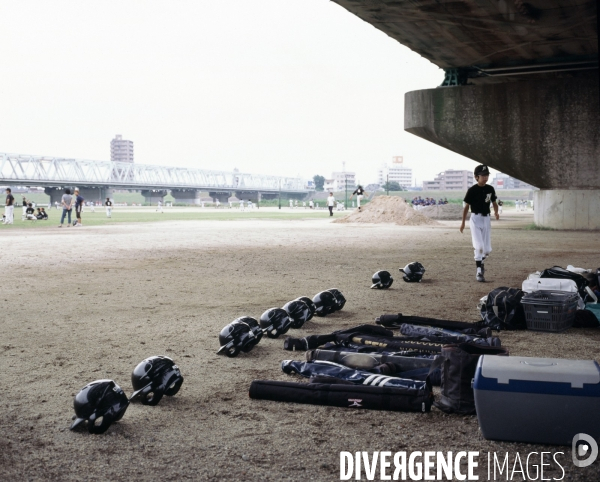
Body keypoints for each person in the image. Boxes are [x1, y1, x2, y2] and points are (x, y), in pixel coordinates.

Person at [460, 165, 499, 282]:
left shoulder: (490, 189)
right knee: (479, 246)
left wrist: (496, 212)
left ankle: (481, 263)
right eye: (483, 175)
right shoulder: (472, 190)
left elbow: (494, 202)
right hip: (475, 218)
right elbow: (466, 207)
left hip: (486, 219)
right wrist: (463, 223)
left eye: (487, 175)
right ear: (476, 177)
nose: (485, 178)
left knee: (487, 250)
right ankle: (478, 272)